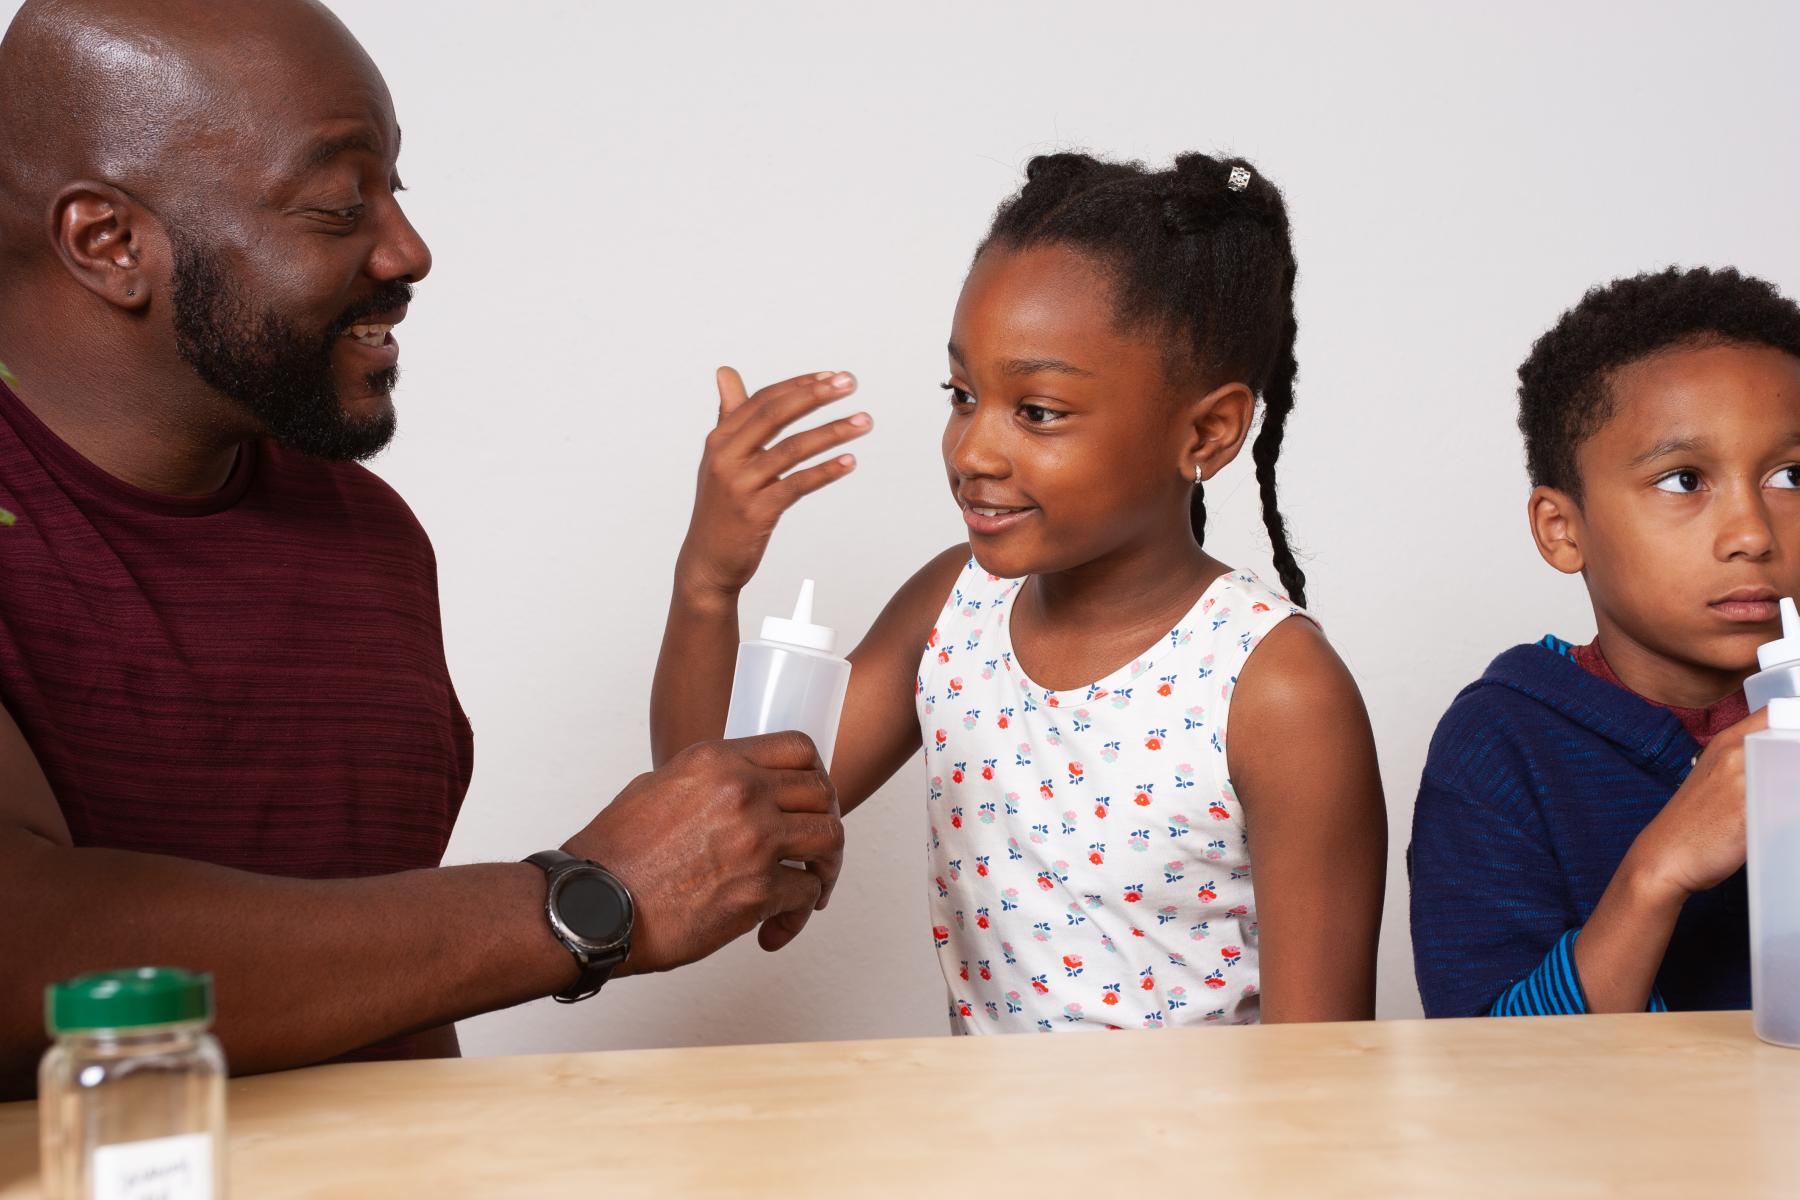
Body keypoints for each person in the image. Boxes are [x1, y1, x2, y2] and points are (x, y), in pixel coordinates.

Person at [0, 0, 843, 1099]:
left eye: (398, 190)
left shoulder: (364, 535)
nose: (408, 249)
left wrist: (719, 847)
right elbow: (24, 955)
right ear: (110, 243)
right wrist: (587, 898)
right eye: (340, 203)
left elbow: (381, 1000)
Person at [653, 152, 1387, 1032]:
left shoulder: (1277, 690)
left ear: (1209, 430)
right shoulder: (952, 613)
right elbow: (710, 830)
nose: (971, 451)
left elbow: (1323, 1074)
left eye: (1036, 410)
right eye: (962, 394)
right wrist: (708, 582)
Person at [1409, 266, 1800, 1017]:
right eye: (1685, 481)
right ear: (1564, 530)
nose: (1753, 533)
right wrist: (1659, 869)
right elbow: (1491, 1072)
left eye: (1790, 475)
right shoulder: (1500, 748)